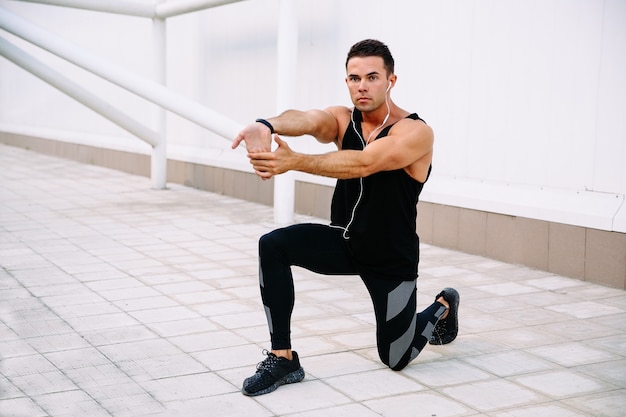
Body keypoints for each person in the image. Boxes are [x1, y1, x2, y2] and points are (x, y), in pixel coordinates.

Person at [232, 39, 459, 397]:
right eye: (354, 78)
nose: (362, 86)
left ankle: (443, 307)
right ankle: (283, 357)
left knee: (395, 358)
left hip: (390, 257)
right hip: (346, 241)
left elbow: (366, 163)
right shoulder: (343, 119)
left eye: (372, 77)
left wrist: (296, 162)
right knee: (273, 245)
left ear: (391, 80)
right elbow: (307, 120)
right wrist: (266, 125)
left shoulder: (415, 132)